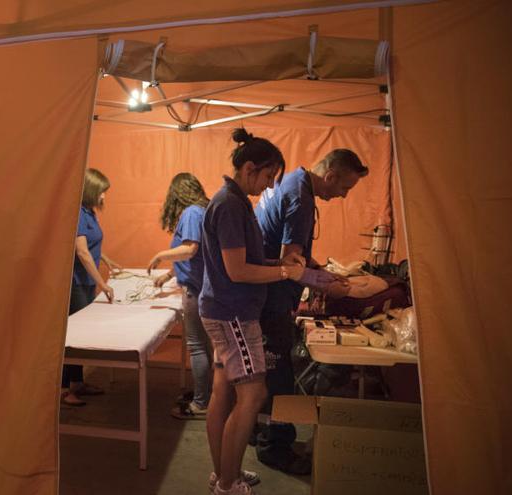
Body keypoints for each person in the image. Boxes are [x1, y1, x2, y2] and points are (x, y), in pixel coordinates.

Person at [201, 128, 305, 495]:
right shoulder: (230, 204)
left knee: (224, 393)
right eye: (267, 177)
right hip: (233, 314)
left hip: (225, 309)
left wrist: (279, 261)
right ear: (249, 168)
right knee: (253, 394)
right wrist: (283, 272)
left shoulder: (234, 200)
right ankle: (228, 483)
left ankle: (224, 474)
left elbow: (244, 260)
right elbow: (237, 271)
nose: (269, 185)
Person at [253, 149, 369, 474]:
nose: (343, 195)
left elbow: (295, 256)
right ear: (330, 176)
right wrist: (325, 284)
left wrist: (321, 270)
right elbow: (290, 266)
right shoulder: (301, 198)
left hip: (261, 292)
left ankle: (253, 430)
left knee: (261, 367)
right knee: (279, 372)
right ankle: (275, 446)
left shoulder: (290, 181)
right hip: (271, 295)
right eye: (344, 187)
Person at [146, 173, 212, 420]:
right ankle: (203, 393)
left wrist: (160, 255)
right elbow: (193, 256)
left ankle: (200, 404)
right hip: (200, 287)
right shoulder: (200, 211)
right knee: (203, 347)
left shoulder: (192, 213)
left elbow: (190, 249)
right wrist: (169, 275)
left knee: (197, 347)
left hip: (197, 291)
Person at [62, 167, 122, 407]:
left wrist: (107, 261)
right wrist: (102, 283)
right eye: (102, 192)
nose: (104, 196)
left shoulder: (89, 213)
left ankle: (77, 383)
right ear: (90, 190)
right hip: (76, 283)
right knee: (73, 336)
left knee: (80, 335)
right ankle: (65, 390)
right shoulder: (77, 214)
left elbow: (92, 244)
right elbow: (82, 252)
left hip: (87, 282)